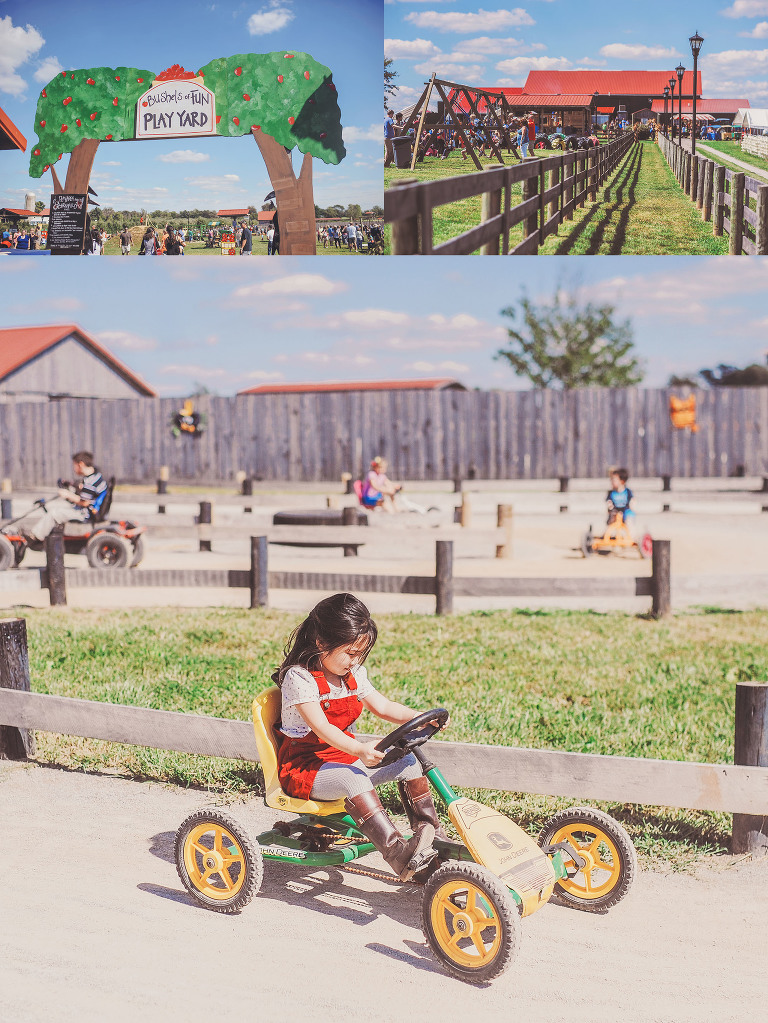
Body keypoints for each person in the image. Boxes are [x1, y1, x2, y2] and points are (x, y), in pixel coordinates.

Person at [274, 592, 446, 881]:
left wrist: (419, 716)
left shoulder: (352, 675)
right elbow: (321, 728)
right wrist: (359, 750)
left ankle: (432, 839)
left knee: (409, 763)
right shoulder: (299, 678)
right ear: (321, 643)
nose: (355, 661)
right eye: (350, 653)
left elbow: (383, 706)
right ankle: (399, 856)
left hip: (342, 760)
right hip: (307, 769)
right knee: (354, 778)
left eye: (360, 655)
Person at [19, 451, 108, 544]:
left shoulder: (90, 482)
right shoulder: (96, 476)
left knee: (54, 513)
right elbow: (88, 494)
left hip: (85, 514)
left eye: (74, 465)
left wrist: (67, 494)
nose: (74, 469)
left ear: (80, 464)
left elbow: (85, 503)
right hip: (90, 511)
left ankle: (35, 536)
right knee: (57, 510)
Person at [606, 467, 635, 533]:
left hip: (626, 511)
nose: (612, 482)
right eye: (611, 480)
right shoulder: (611, 493)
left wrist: (632, 505)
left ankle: (632, 537)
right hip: (615, 511)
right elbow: (609, 502)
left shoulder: (628, 492)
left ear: (622, 481)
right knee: (612, 519)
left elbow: (632, 500)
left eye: (614, 480)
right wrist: (610, 507)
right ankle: (608, 535)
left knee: (629, 521)